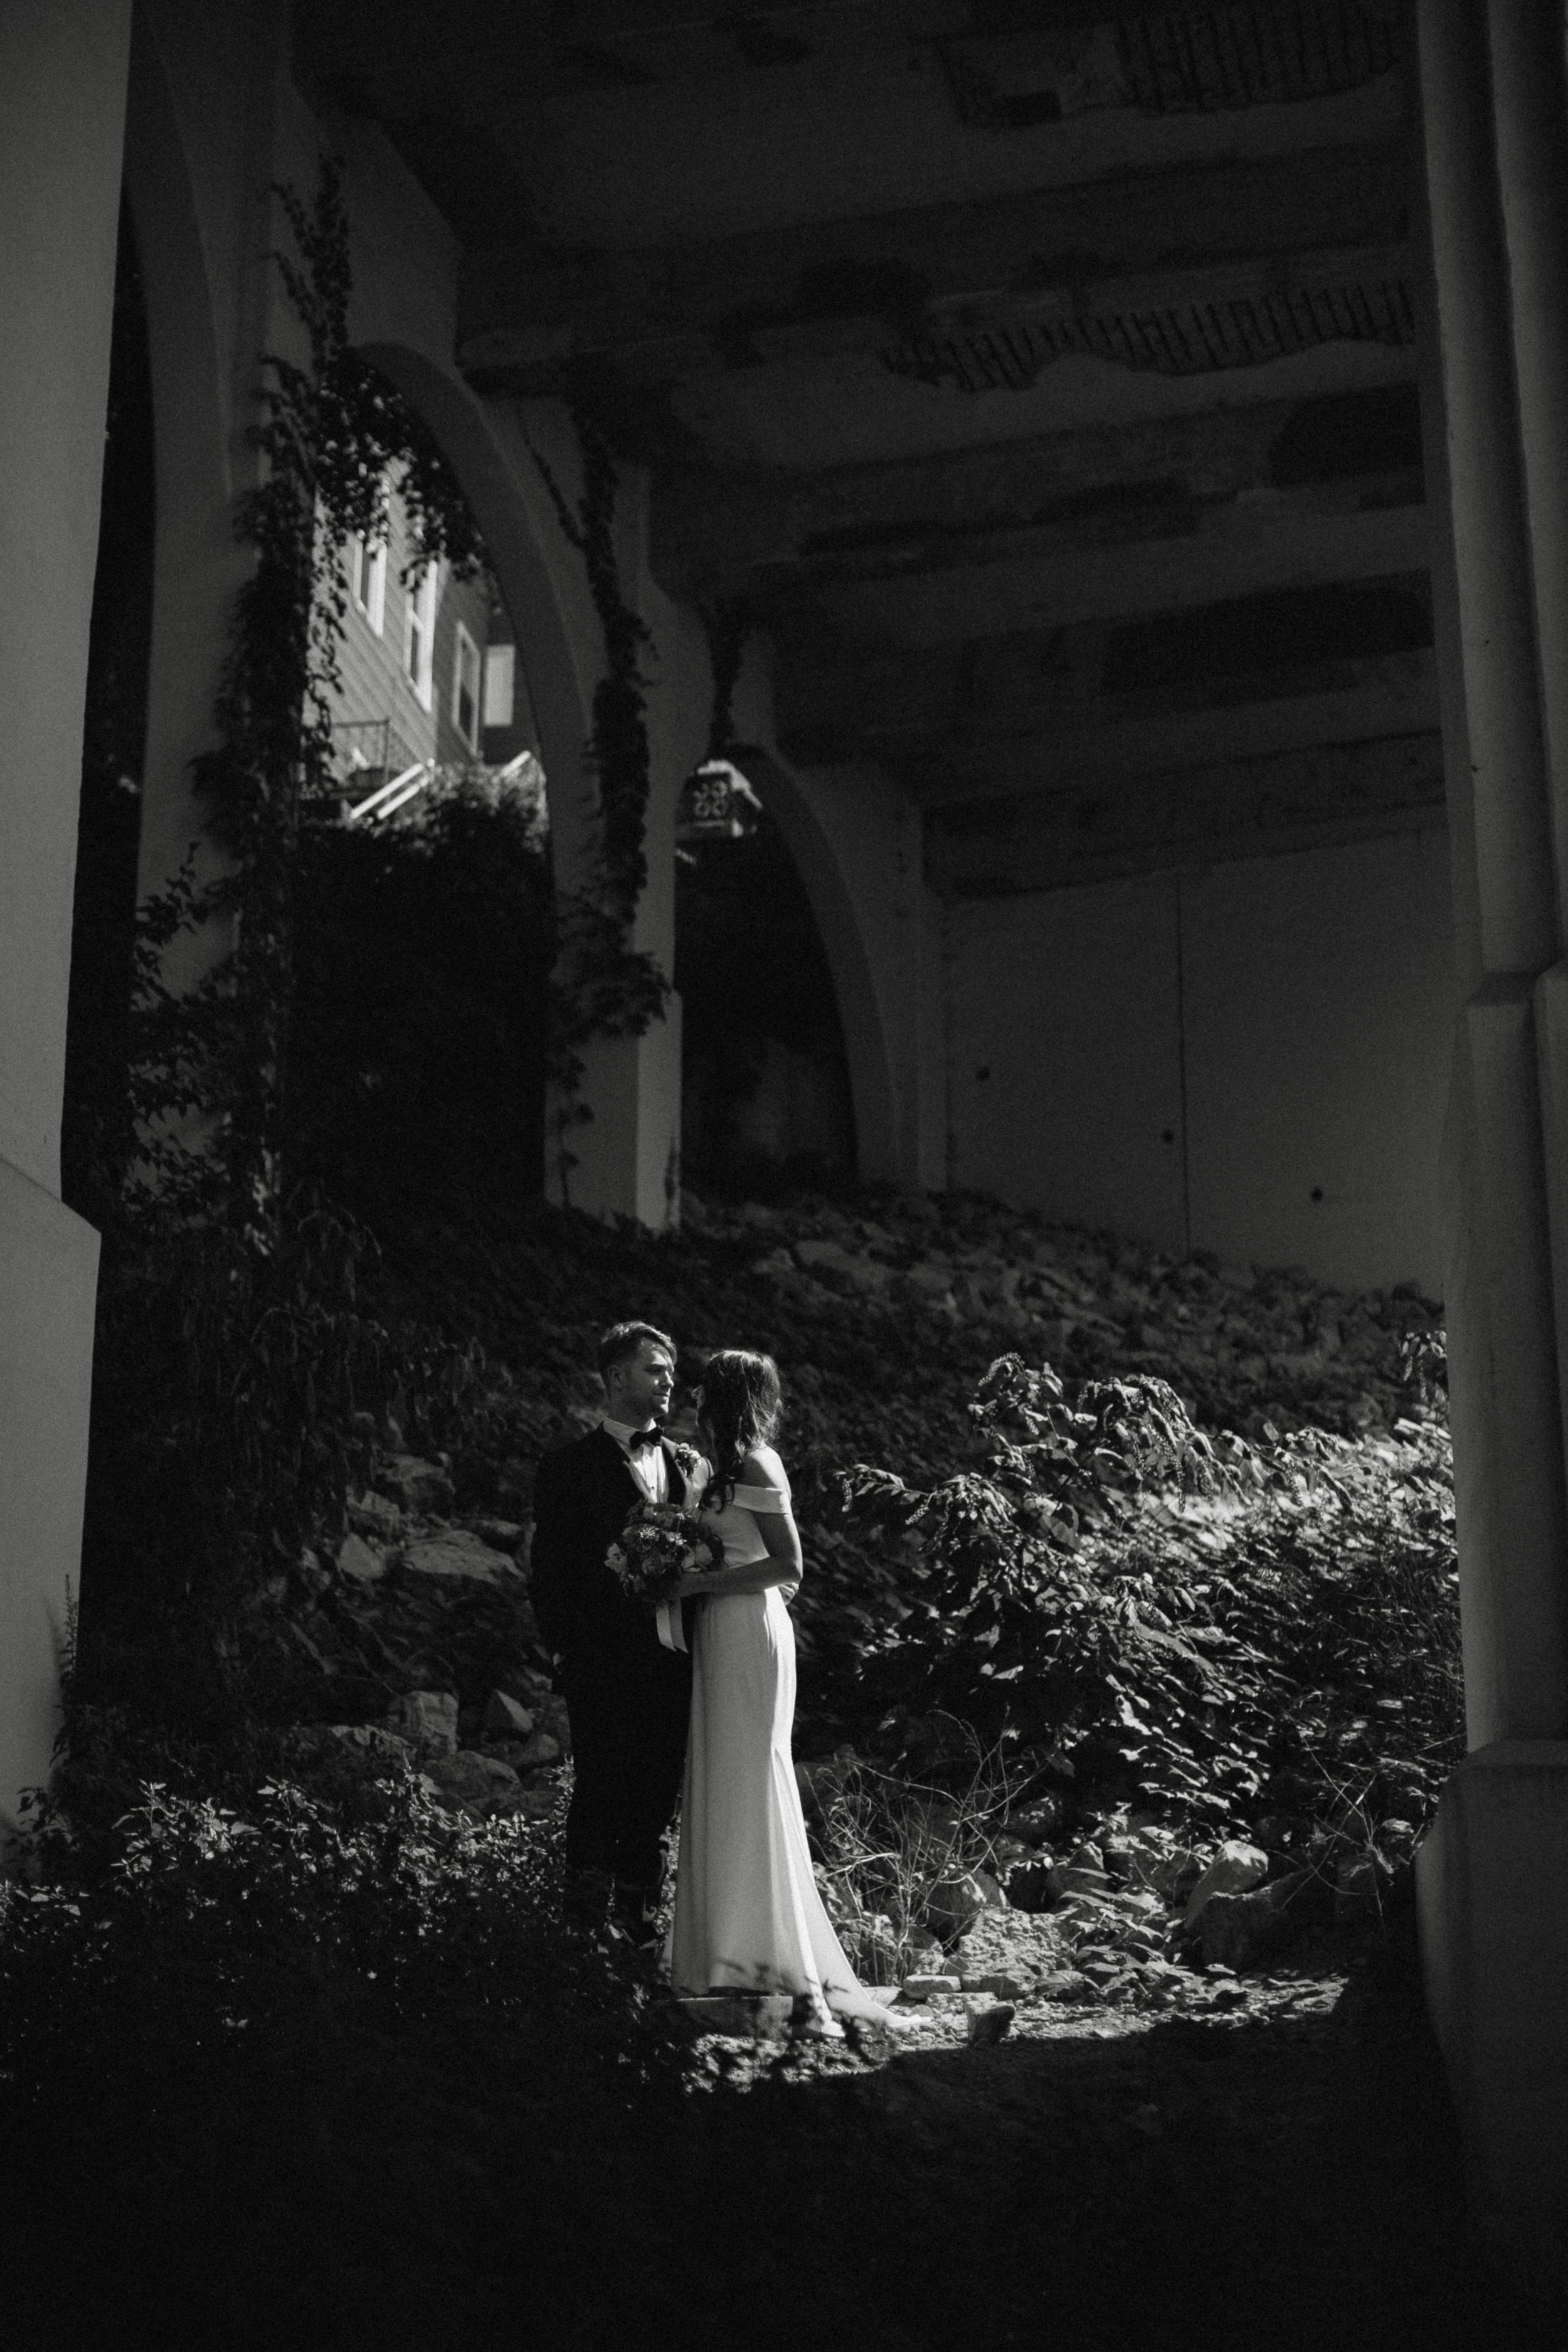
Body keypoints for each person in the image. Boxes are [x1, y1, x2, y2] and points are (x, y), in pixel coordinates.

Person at [666, 1349, 898, 2033]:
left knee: (750, 1777)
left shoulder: (760, 1463)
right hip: (714, 1631)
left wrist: (704, 1582)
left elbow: (788, 1564)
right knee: (717, 1778)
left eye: (705, 1385)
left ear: (726, 1396)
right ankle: (719, 1959)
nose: (693, 1393)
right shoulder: (711, 1470)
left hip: (747, 1629)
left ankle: (776, 1964)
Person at [530, 1320, 694, 1944]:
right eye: (655, 1369)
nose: (668, 1381)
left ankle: (638, 1937)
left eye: (671, 1371)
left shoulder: (688, 1466)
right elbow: (549, 1572)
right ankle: (578, 1939)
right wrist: (568, 1648)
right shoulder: (569, 1468)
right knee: (599, 1795)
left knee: (655, 1803)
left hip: (674, 1660)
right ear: (616, 1377)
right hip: (601, 1662)